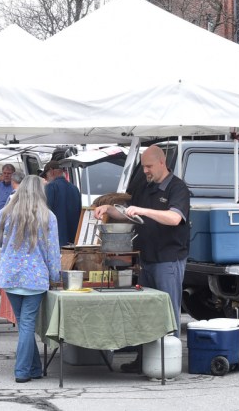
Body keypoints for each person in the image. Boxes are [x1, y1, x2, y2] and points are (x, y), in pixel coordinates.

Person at [94, 145, 190, 372]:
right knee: (145, 313)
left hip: (168, 259)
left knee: (167, 311)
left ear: (161, 163)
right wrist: (108, 208)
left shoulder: (177, 188)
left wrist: (145, 211)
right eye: (144, 166)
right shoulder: (145, 187)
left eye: (148, 166)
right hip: (144, 259)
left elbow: (175, 218)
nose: (145, 171)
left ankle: (167, 364)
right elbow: (128, 212)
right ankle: (143, 361)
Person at [0, 175, 61, 383]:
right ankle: (22, 370)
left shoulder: (6, 212)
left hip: (11, 275)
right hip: (35, 277)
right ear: (41, 192)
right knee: (27, 324)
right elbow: (52, 251)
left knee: (24, 323)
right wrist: (56, 276)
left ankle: (34, 368)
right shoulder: (48, 216)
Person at [42, 160, 81, 246]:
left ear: (51, 171)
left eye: (45, 175)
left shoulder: (50, 187)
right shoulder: (75, 189)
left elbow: (45, 213)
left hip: (57, 239)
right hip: (74, 238)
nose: (45, 178)